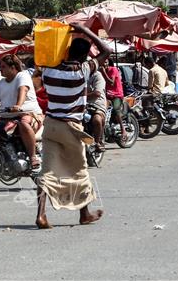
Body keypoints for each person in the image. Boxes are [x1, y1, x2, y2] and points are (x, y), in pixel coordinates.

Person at [36, 23, 111, 229]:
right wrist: (84, 31)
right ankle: (84, 214)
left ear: (67, 51)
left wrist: (62, 39)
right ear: (86, 56)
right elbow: (107, 50)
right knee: (79, 171)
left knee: (47, 172)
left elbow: (45, 56)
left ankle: (41, 215)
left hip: (50, 125)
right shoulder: (83, 71)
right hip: (71, 127)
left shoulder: (48, 70)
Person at [0, 54, 43, 170]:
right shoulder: (1, 83)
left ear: (13, 67)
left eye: (3, 67)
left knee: (24, 123)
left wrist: (18, 106)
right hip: (8, 117)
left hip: (30, 114)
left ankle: (33, 157)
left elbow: (23, 90)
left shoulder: (22, 76)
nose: (0, 69)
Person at [100, 59, 126, 141]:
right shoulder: (99, 72)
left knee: (116, 109)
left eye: (106, 62)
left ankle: (123, 130)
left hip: (116, 95)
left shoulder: (113, 69)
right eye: (103, 62)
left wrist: (103, 72)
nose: (104, 64)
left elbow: (111, 82)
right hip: (107, 95)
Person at [88, 70, 107, 152]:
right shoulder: (76, 74)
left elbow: (97, 94)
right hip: (80, 103)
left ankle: (97, 142)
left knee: (97, 119)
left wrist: (80, 96)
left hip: (97, 103)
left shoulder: (97, 76)